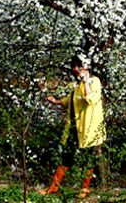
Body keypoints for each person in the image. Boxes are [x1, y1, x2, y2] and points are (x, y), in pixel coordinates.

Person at [40, 55, 106, 198]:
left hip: (89, 129)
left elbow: (91, 99)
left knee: (88, 160)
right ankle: (53, 187)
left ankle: (84, 189)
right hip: (74, 129)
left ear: (86, 67)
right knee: (66, 157)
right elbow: (70, 101)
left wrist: (86, 81)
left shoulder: (94, 82)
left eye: (79, 66)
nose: (76, 69)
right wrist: (56, 102)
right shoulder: (77, 85)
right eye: (74, 67)